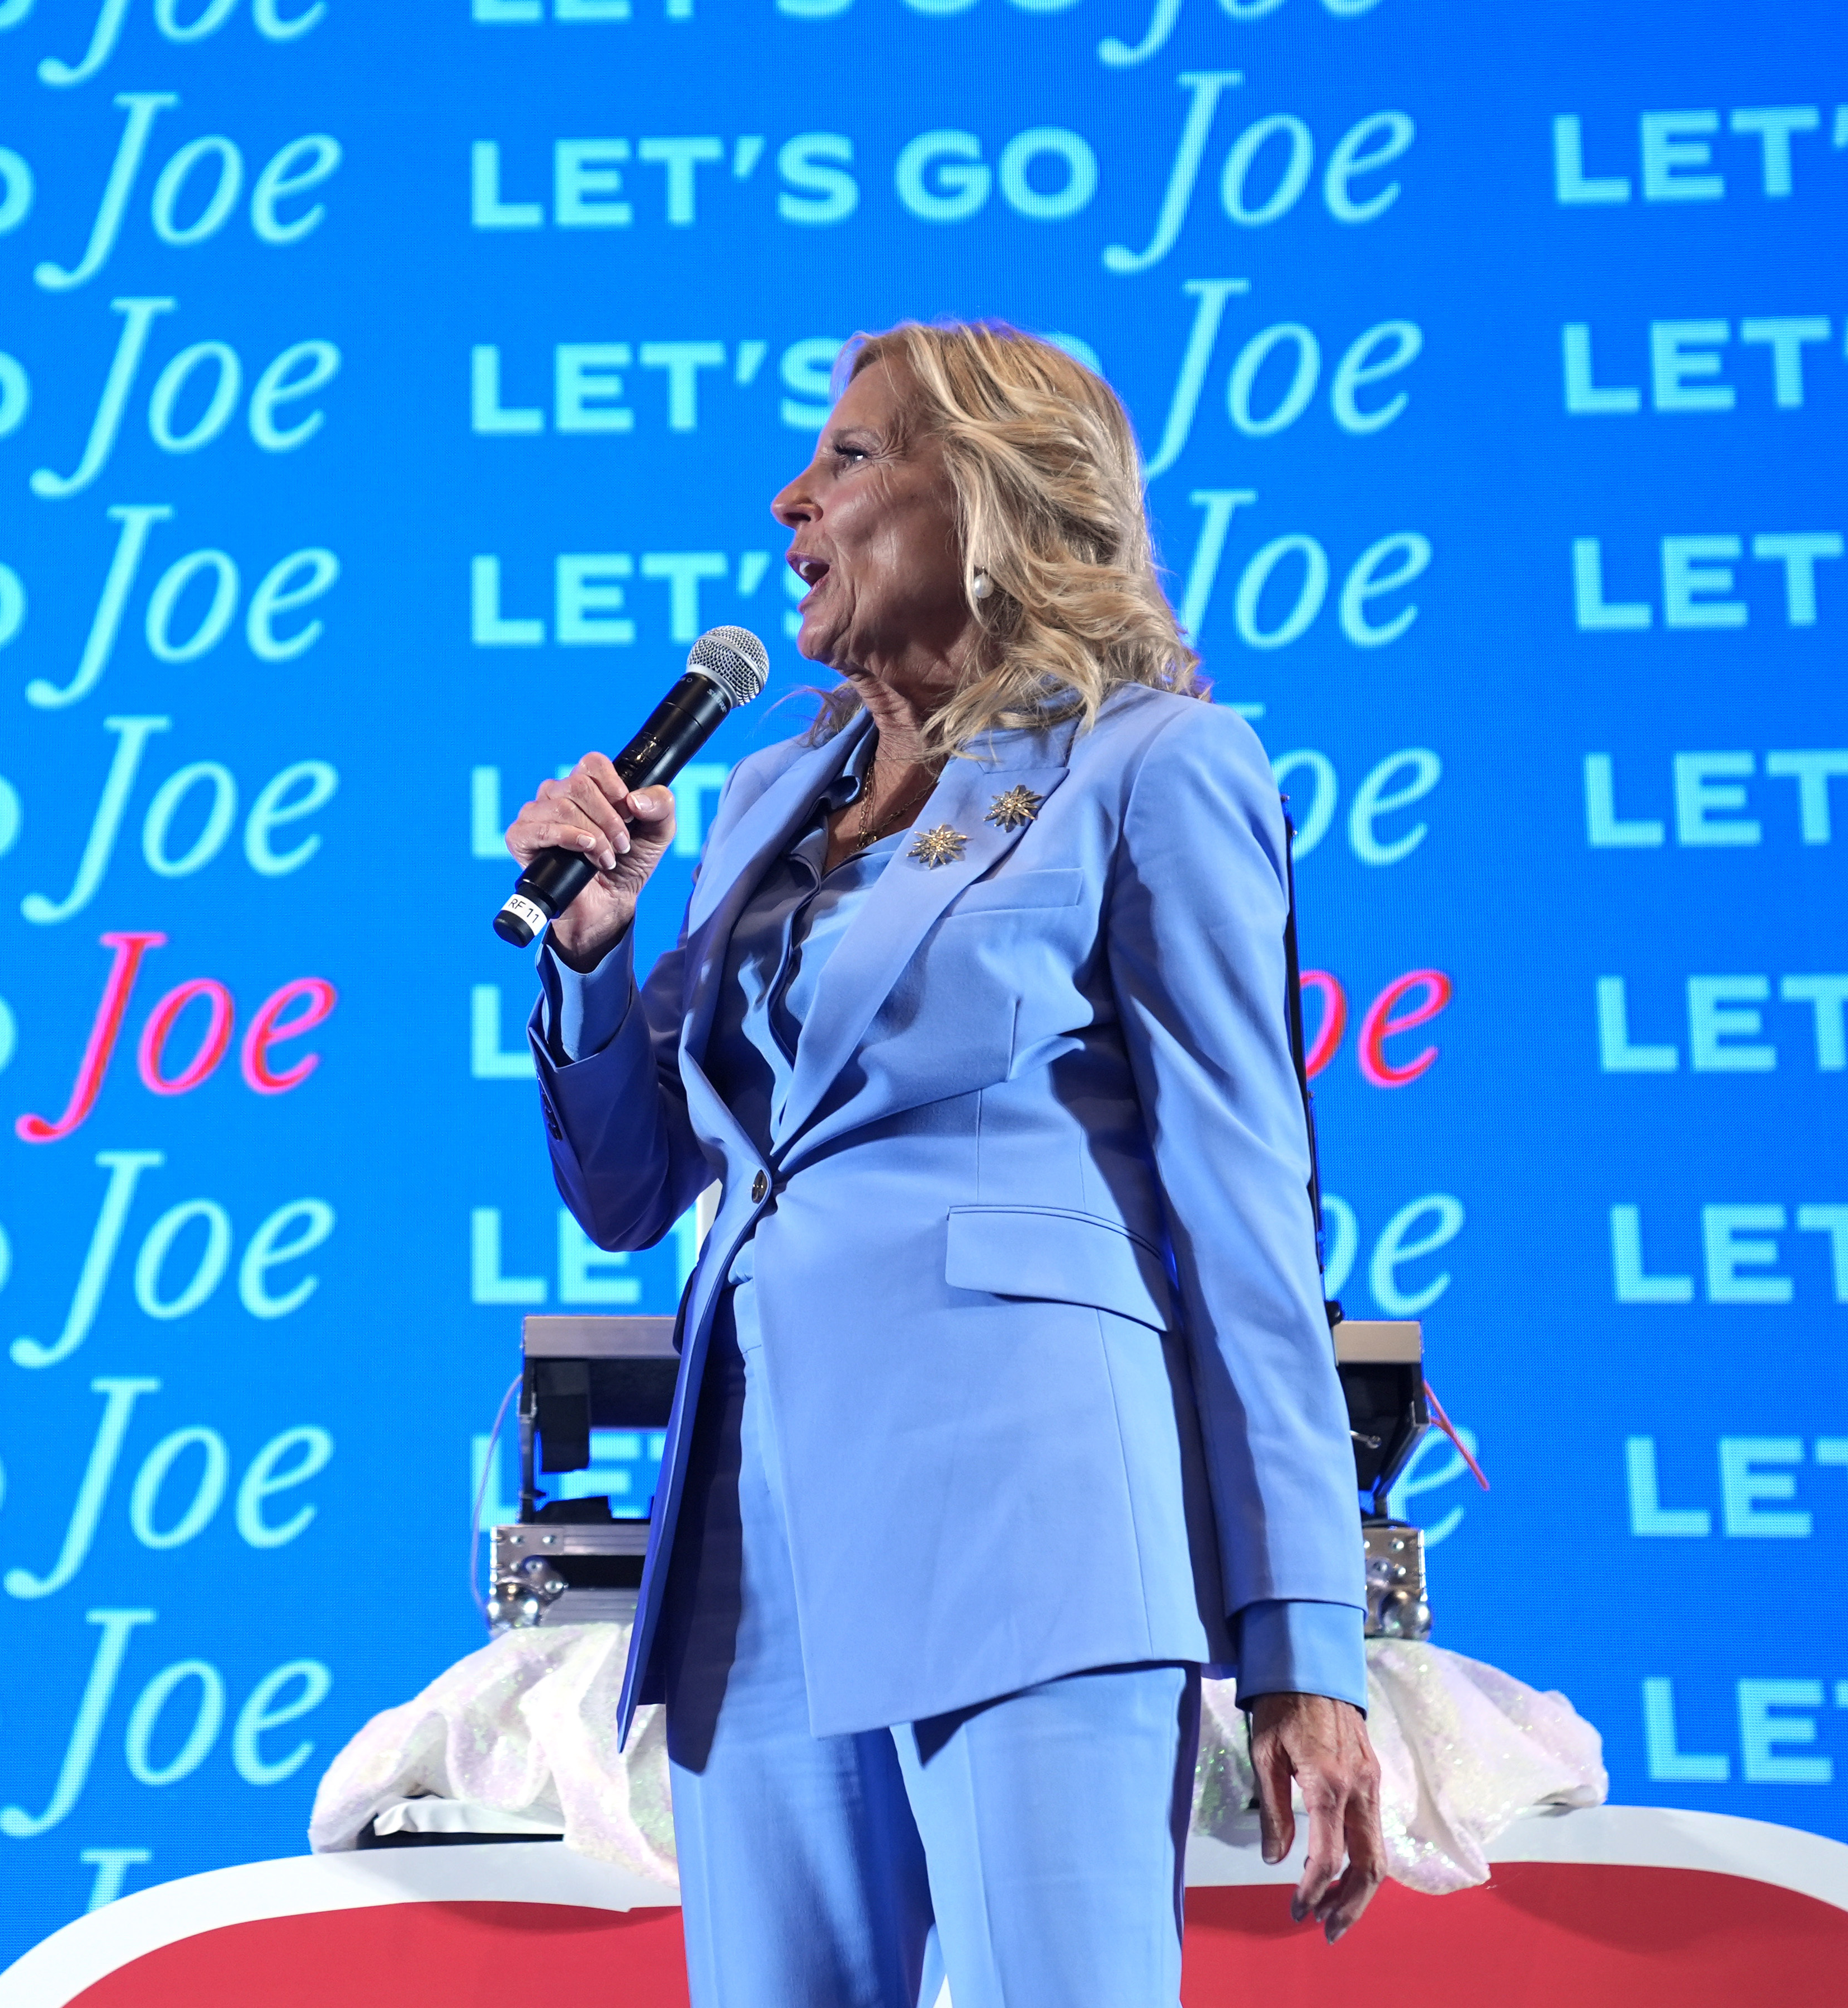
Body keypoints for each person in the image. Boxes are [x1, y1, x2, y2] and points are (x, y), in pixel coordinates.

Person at [505, 321, 1385, 2008]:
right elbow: (630, 1193)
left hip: (1033, 1531)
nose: (789, 500)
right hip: (756, 1554)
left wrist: (1300, 1644)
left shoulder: (1151, 767)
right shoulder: (763, 793)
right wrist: (592, 958)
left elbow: (1248, 1217)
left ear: (987, 497)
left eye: (845, 458)